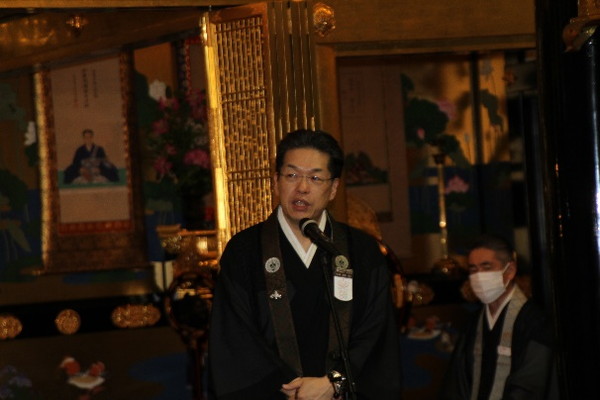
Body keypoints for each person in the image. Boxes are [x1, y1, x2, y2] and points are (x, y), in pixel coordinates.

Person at [207, 129, 402, 399]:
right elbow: (234, 337)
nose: (302, 187)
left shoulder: (362, 250)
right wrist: (291, 386)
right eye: (292, 175)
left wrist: (333, 382)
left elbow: (376, 332)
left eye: (315, 178)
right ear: (276, 182)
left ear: (333, 188)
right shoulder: (244, 251)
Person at [439, 234, 557, 400]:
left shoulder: (535, 323)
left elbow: (531, 386)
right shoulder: (473, 323)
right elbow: (456, 384)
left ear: (510, 271)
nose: (479, 276)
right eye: (473, 269)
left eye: (486, 267)